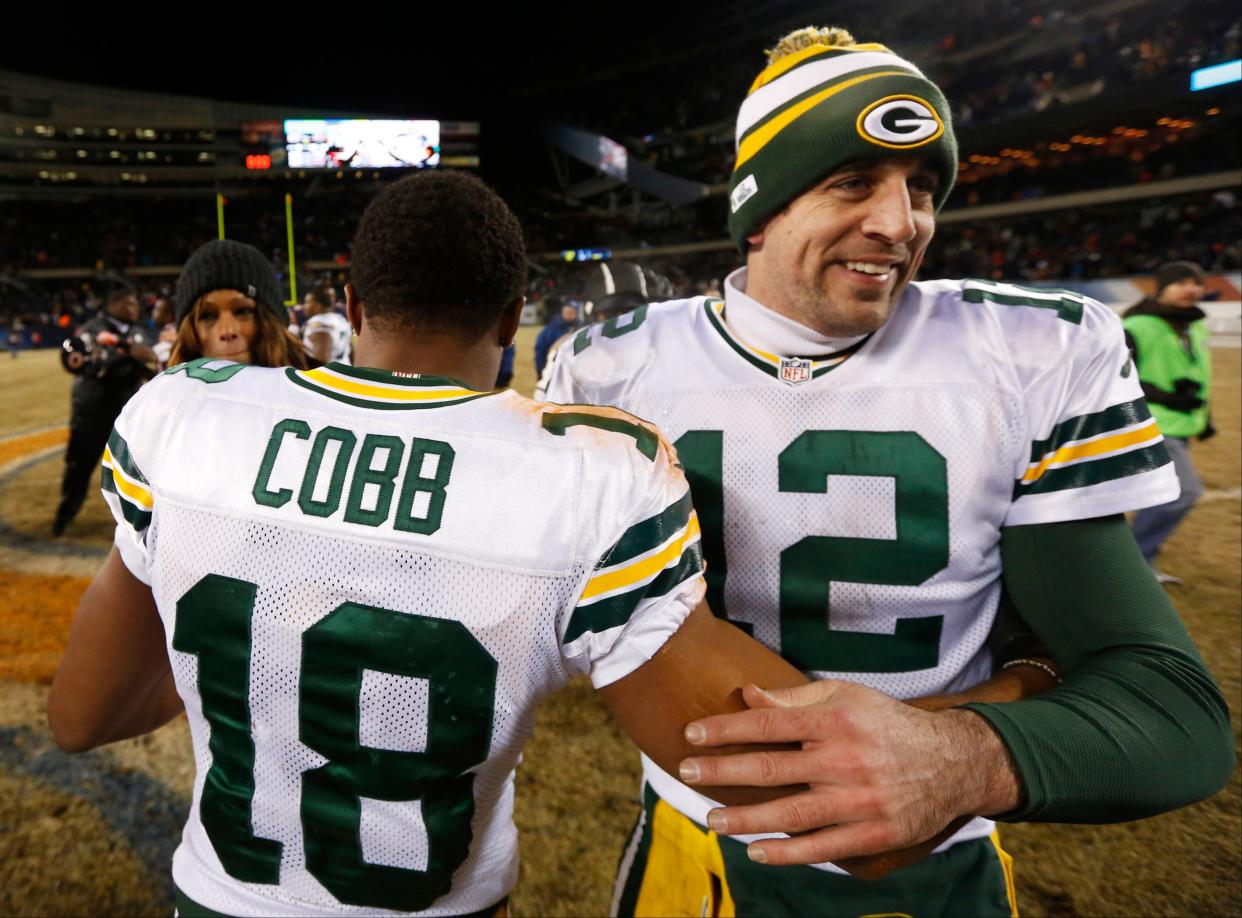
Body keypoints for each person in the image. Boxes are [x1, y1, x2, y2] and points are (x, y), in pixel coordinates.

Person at [45, 172, 1054, 918]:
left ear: (350, 310)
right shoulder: (585, 472)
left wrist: (271, 662)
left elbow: (83, 715)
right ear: (513, 317)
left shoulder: (185, 414)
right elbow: (829, 808)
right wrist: (1031, 676)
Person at [540, 26, 1233, 917]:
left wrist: (958, 761)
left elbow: (1169, 710)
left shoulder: (1033, 349)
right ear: (761, 205)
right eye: (852, 181)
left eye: (923, 188)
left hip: (937, 862)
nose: (902, 223)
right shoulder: (610, 368)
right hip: (694, 839)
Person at [1123, 260, 1214, 584]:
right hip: (1151, 423)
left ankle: (1138, 559)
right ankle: (1135, 560)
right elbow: (1117, 378)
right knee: (1183, 492)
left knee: (1157, 495)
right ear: (1162, 287)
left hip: (1181, 423)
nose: (1193, 288)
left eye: (1197, 282)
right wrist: (1165, 396)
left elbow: (1199, 373)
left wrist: (1207, 417)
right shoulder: (1137, 325)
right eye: (1183, 282)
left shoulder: (1194, 324)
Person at [53, 286, 157, 536]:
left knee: (137, 471)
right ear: (115, 305)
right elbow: (80, 361)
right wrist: (119, 353)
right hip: (92, 410)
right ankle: (64, 517)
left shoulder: (134, 331)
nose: (135, 309)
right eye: (129, 304)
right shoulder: (93, 328)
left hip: (126, 413)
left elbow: (148, 356)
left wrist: (120, 345)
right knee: (79, 466)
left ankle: (139, 524)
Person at [168, 239, 309, 370]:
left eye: (243, 311)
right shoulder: (162, 395)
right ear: (189, 331)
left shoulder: (317, 393)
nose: (227, 331)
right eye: (207, 316)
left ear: (270, 320)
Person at [302, 284, 353, 364]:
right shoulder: (340, 319)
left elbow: (322, 359)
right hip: (345, 368)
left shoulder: (318, 322)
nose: (304, 306)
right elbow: (350, 350)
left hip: (329, 374)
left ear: (317, 305)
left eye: (307, 302)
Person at [533, 296, 577, 377]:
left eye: (574, 313)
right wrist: (540, 369)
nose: (571, 316)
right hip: (552, 370)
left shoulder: (578, 328)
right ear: (562, 311)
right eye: (569, 312)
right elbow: (541, 348)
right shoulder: (551, 329)